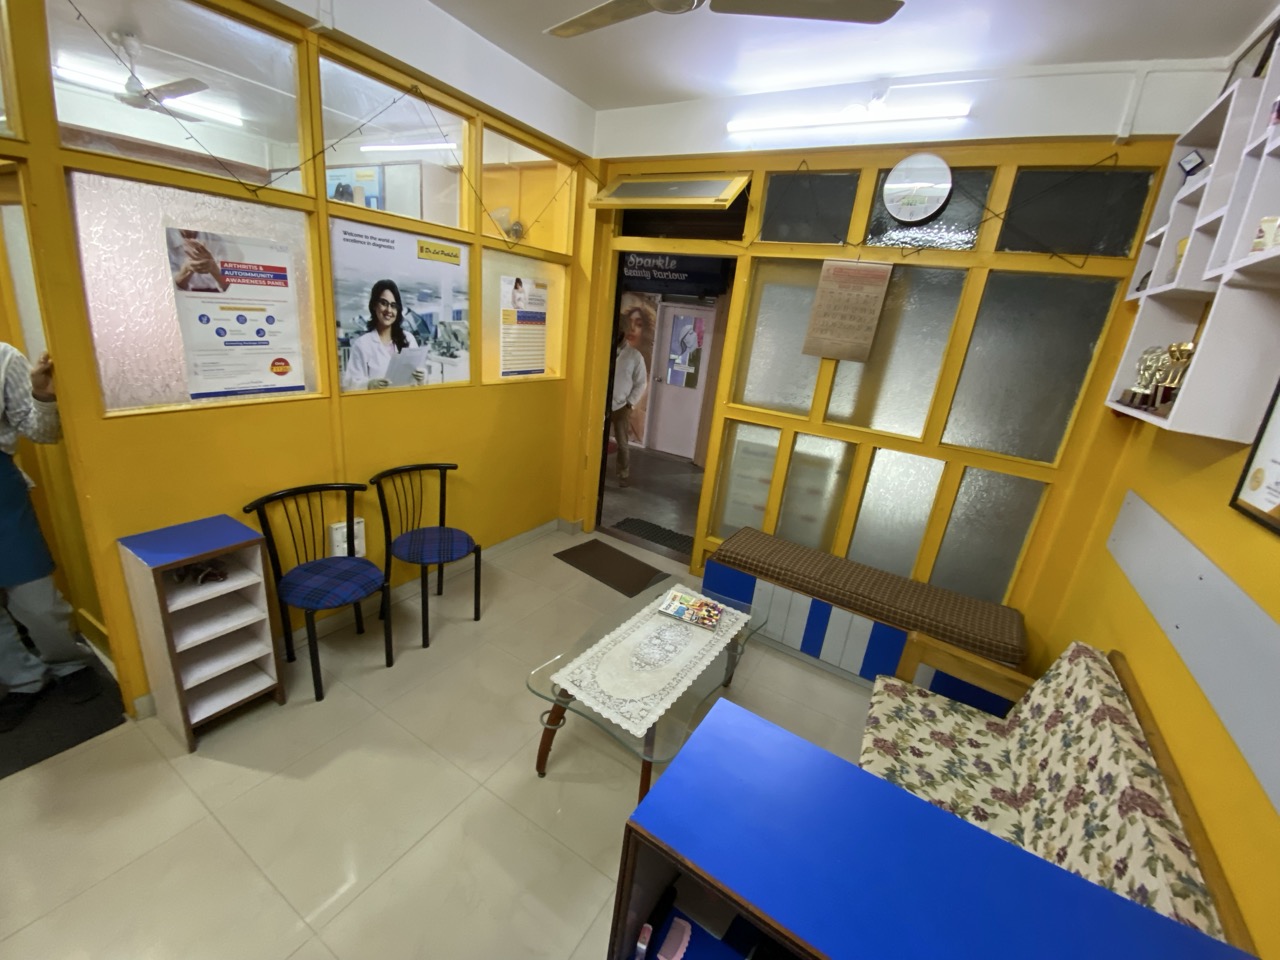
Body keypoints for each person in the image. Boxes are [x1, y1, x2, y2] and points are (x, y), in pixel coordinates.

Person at [1, 343, 100, 732]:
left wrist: (42, 393)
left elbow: (42, 433)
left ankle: (68, 662)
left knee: (35, 597)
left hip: (1, 491)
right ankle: (22, 679)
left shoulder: (5, 358)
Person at [341, 279, 428, 390]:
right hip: (377, 404)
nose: (389, 310)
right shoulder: (362, 345)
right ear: (374, 305)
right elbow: (349, 385)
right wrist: (369, 385)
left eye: (393, 305)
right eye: (383, 303)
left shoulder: (408, 339)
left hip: (405, 402)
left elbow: (417, 377)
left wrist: (422, 377)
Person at [610, 323, 648, 488]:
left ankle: (623, 474)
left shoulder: (634, 356)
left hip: (621, 406)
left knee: (622, 444)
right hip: (601, 405)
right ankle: (594, 473)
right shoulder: (603, 351)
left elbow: (641, 383)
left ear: (622, 335)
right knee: (596, 442)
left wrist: (630, 403)